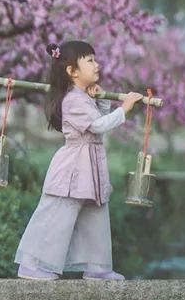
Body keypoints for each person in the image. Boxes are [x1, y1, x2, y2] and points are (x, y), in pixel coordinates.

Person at [13, 40, 144, 281]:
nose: (98, 64)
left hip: (90, 165)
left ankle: (97, 266)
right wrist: (124, 109)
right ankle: (32, 264)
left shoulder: (82, 98)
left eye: (96, 59)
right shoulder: (73, 99)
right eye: (90, 61)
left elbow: (97, 125)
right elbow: (97, 125)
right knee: (57, 214)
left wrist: (102, 102)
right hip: (73, 166)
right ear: (72, 72)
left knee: (95, 214)